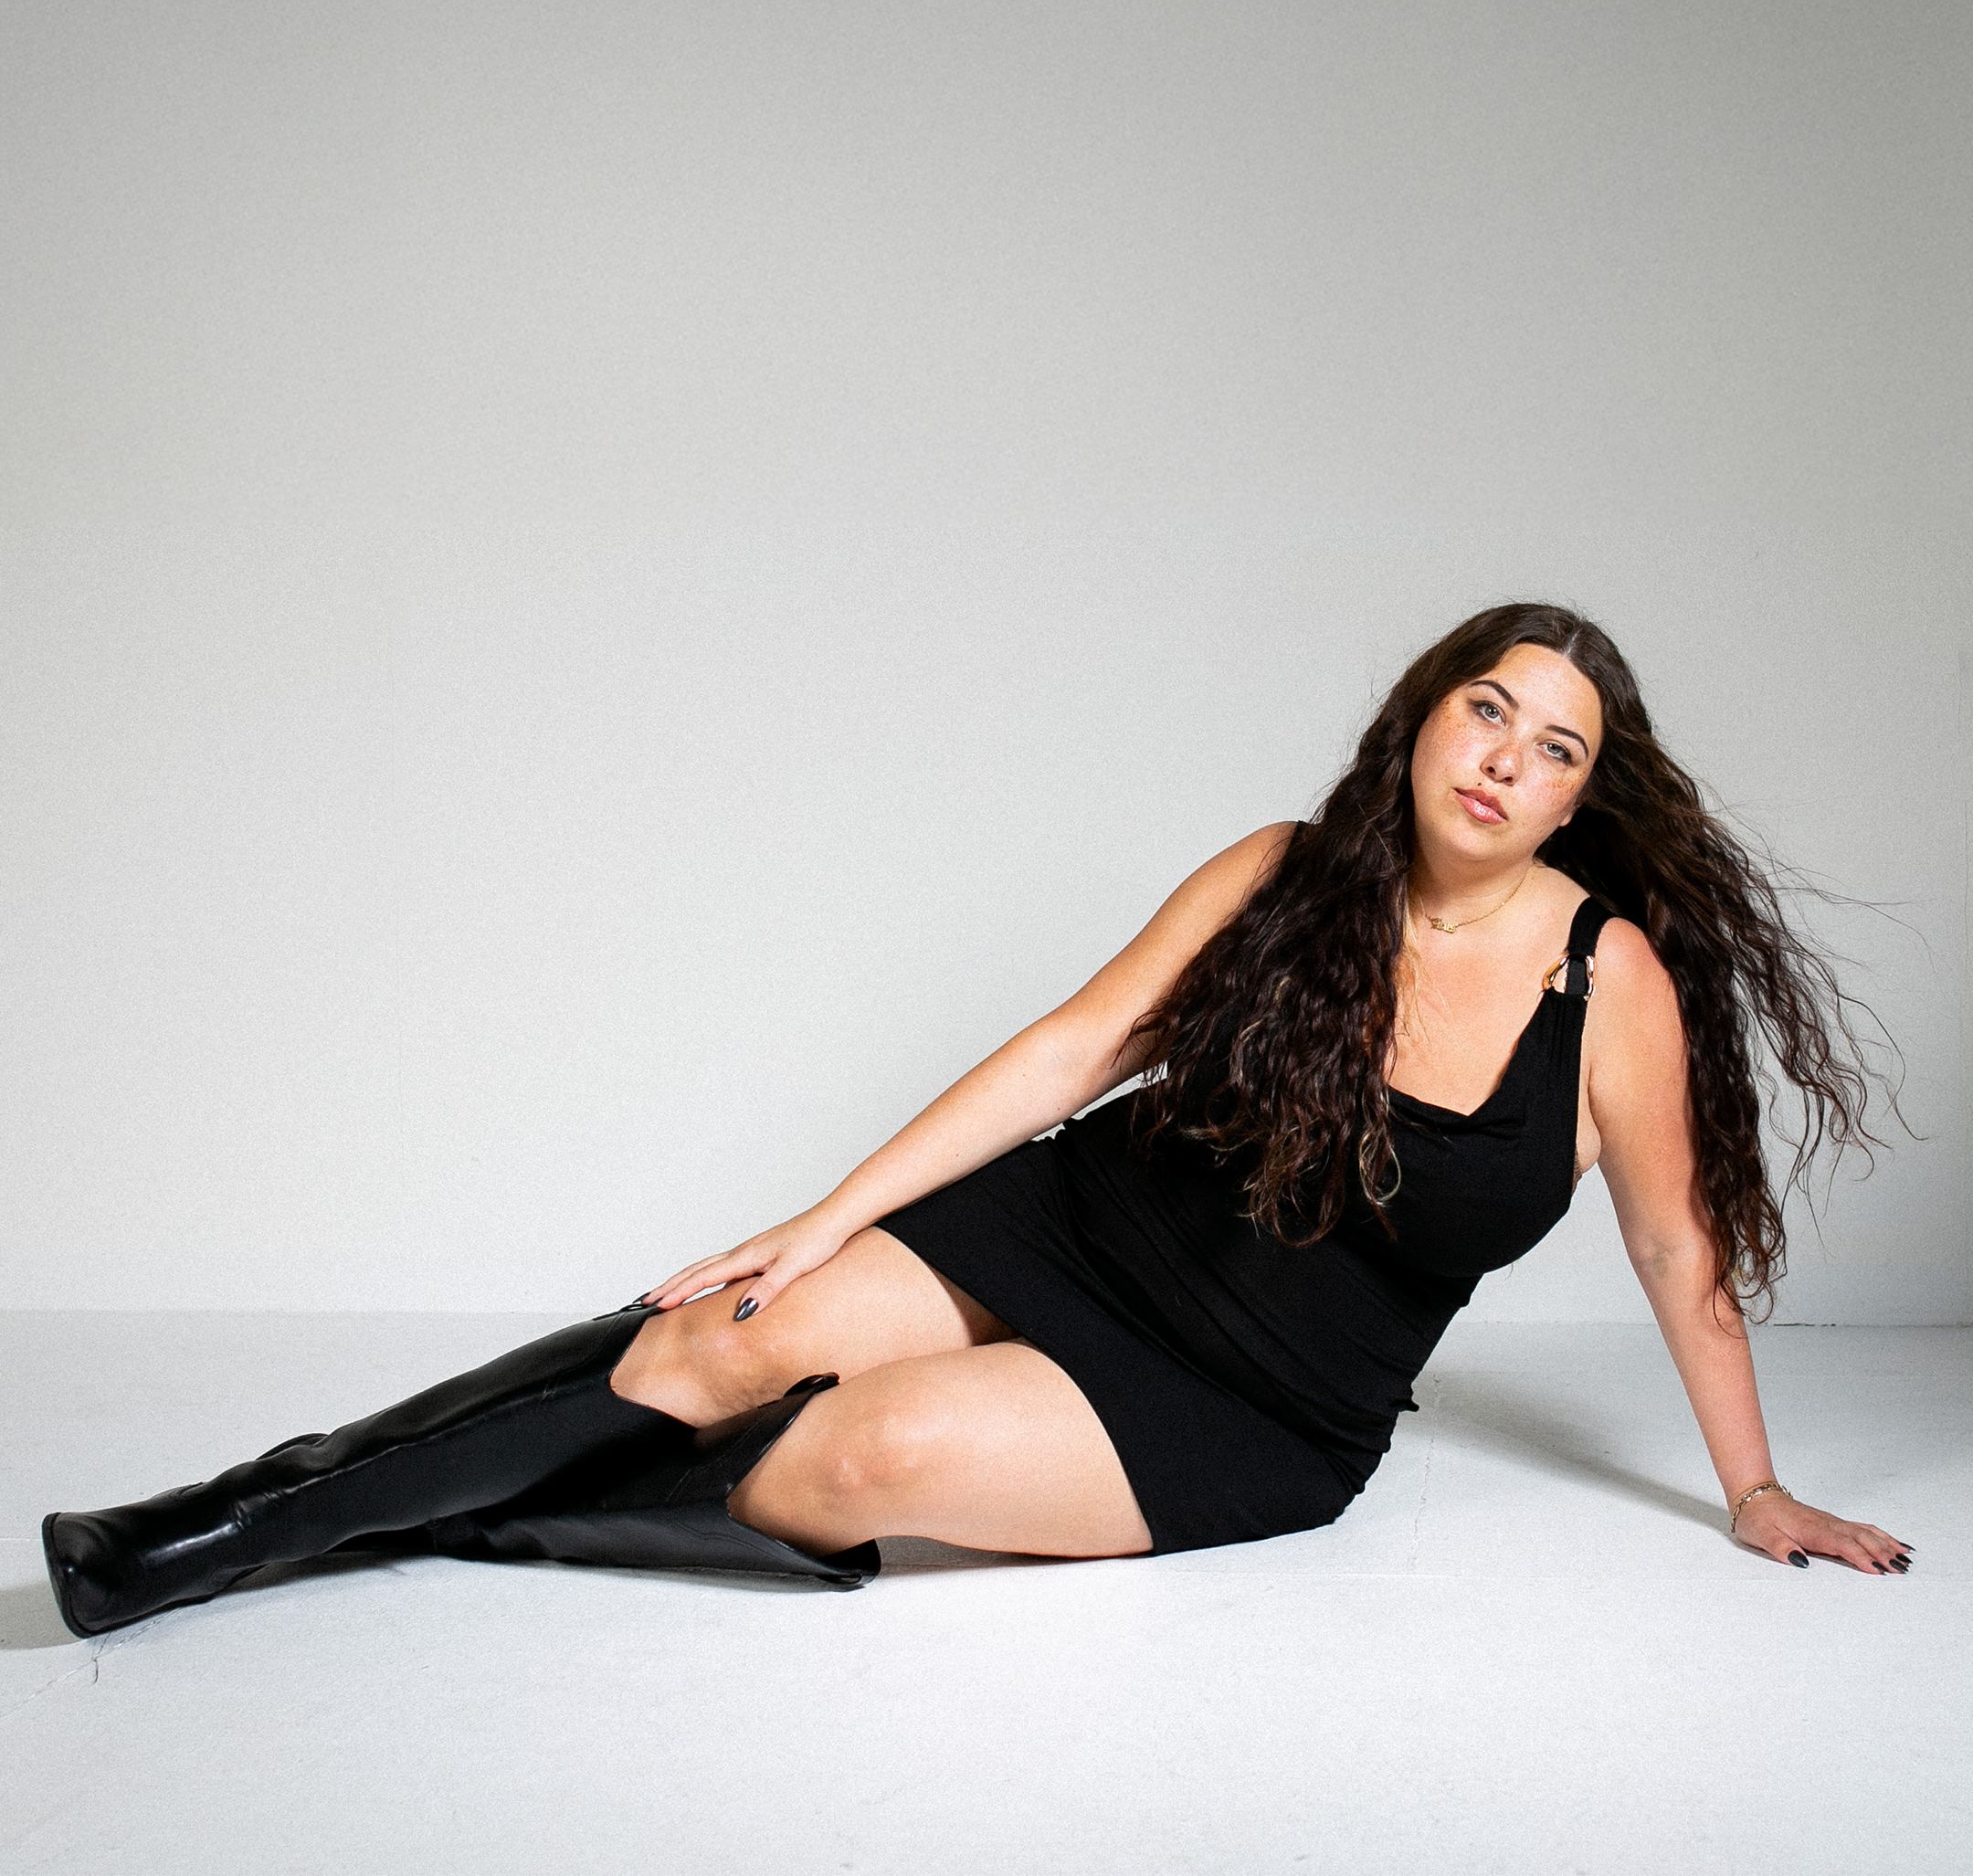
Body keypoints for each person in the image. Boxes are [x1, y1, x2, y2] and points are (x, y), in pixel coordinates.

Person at [43, 603, 1913, 1639]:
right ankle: (232, 1523)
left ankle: (409, 1524)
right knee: (725, 1337)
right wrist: (816, 1218)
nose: (1505, 756)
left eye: (1555, 743)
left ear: (1587, 793)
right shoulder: (1284, 872)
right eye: (1485, 709)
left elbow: (1676, 1249)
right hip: (1080, 1225)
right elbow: (1072, 1048)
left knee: (860, 1459)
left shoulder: (1612, 985)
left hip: (1261, 1403)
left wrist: (1750, 1489)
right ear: (1423, 719)